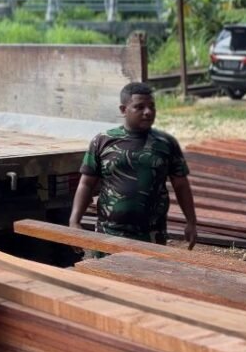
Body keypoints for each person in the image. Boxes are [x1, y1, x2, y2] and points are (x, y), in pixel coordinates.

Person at [69, 82, 196, 256]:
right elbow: (86, 184)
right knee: (105, 280)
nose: (148, 112)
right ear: (123, 110)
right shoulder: (103, 141)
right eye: (139, 107)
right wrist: (74, 221)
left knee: (146, 280)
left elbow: (181, 185)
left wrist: (191, 222)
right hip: (108, 234)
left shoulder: (166, 144)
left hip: (152, 235)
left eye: (152, 107)